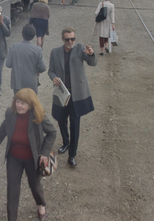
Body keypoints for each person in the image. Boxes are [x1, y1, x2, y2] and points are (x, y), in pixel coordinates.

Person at [0, 88, 56, 221]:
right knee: (12, 189)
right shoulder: (10, 113)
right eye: (18, 102)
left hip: (32, 159)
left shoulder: (38, 116)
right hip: (14, 158)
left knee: (35, 186)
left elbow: (52, 133)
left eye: (23, 103)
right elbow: (4, 126)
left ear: (31, 105)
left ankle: (40, 205)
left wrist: (44, 153)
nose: (19, 106)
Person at [48, 27, 96, 166]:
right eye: (68, 39)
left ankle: (72, 155)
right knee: (61, 120)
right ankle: (66, 142)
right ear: (62, 39)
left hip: (77, 95)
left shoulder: (80, 48)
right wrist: (54, 78)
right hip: (62, 94)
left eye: (73, 39)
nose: (71, 41)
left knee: (75, 124)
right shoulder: (55, 52)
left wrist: (91, 54)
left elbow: (92, 63)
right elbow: (50, 70)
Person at [6, 24, 46, 95]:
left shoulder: (13, 47)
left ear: (22, 34)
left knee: (18, 104)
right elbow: (43, 67)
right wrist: (36, 70)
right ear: (33, 36)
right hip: (31, 82)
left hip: (17, 82)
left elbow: (8, 64)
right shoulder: (37, 50)